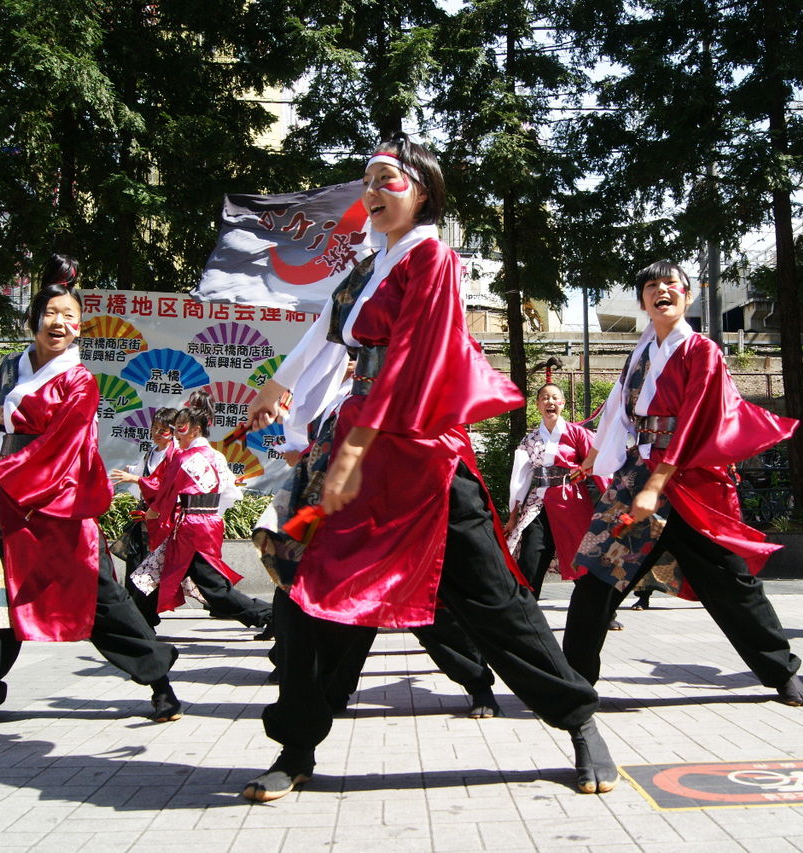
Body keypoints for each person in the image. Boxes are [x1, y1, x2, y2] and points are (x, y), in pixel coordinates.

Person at [242, 134, 615, 802]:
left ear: (422, 192)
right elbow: (324, 330)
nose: (373, 191)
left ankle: (579, 719)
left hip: (423, 457)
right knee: (311, 593)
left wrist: (354, 451)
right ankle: (296, 745)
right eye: (367, 180)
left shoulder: (433, 258)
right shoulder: (367, 265)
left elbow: (414, 358)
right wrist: (279, 382)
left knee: (494, 602)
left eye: (387, 179)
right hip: (353, 445)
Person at [560, 261, 803, 708]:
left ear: (688, 295)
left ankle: (781, 671)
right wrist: (593, 460)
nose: (661, 291)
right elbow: (617, 412)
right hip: (637, 477)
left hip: (690, 484)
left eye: (671, 284)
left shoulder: (702, 351)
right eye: (651, 286)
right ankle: (572, 685)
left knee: (730, 584)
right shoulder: (639, 353)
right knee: (598, 577)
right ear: (643, 301)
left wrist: (656, 484)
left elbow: (695, 421)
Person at [0, 255, 181, 727]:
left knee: (99, 596)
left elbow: (61, 446)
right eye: (50, 313)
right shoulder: (10, 369)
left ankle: (159, 681)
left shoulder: (80, 381)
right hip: (2, 501)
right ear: (33, 318)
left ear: (79, 327)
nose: (59, 323)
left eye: (69, 316)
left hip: (59, 497)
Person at [255, 367, 502, 718]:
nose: (355, 362)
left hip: (407, 523)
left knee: (428, 613)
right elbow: (315, 459)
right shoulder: (332, 401)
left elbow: (439, 456)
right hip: (354, 525)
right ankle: (331, 692)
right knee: (347, 610)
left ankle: (479, 686)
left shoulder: (410, 399)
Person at [130, 390, 272, 635]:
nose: (176, 434)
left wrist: (154, 511)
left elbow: (165, 491)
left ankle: (269, 615)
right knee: (156, 572)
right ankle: (139, 623)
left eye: (180, 428)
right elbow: (229, 492)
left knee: (210, 586)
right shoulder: (214, 456)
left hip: (189, 528)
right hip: (205, 523)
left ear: (196, 429)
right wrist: (214, 514)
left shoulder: (183, 458)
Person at [505, 383, 598, 598]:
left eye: (555, 398)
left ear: (562, 403)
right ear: (538, 405)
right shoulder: (530, 440)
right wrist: (513, 516)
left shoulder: (577, 433)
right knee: (531, 556)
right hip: (539, 502)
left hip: (571, 501)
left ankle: (598, 608)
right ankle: (527, 609)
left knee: (580, 557)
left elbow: (598, 463)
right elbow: (520, 479)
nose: (550, 402)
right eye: (545, 398)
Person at [109, 408, 180, 626]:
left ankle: (246, 609)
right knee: (136, 565)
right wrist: (133, 475)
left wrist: (136, 479)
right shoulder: (150, 453)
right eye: (154, 428)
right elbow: (143, 477)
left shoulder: (175, 455)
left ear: (173, 432)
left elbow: (166, 486)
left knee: (155, 569)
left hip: (163, 521)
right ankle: (138, 616)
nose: (157, 433)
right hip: (145, 518)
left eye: (163, 430)